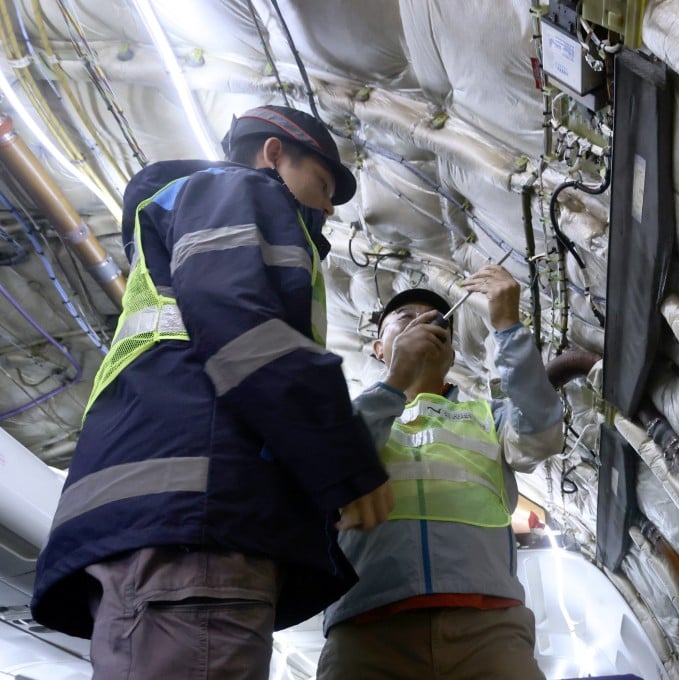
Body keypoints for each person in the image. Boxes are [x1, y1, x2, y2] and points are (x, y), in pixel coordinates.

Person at [30, 105, 394, 679]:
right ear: (273, 154)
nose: (327, 208)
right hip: (198, 513)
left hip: (178, 512)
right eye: (322, 185)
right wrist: (342, 461)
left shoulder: (188, 217)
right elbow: (237, 314)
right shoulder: (238, 188)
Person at [316, 264, 563, 679]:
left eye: (436, 319)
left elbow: (540, 436)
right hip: (367, 628)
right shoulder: (345, 416)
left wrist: (507, 327)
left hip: (489, 626)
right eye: (406, 318)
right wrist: (395, 380)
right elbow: (329, 465)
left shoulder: (487, 416)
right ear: (379, 348)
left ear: (452, 353)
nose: (427, 321)